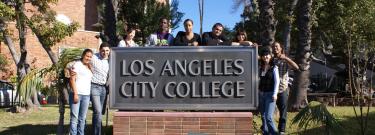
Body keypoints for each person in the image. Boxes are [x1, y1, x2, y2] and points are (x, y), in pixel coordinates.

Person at [271, 41, 299, 135]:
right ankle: (270, 129)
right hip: (271, 90)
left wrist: (286, 58)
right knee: (269, 111)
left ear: (281, 48)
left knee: (283, 111)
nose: (275, 48)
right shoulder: (271, 59)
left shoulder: (285, 60)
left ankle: (281, 130)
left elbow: (296, 67)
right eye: (273, 47)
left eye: (277, 46)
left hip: (283, 89)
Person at [69, 49, 93, 135]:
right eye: (87, 56)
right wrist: (75, 94)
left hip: (86, 95)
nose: (88, 58)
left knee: (82, 118)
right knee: (74, 118)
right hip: (77, 94)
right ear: (83, 55)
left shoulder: (89, 67)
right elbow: (72, 79)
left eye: (90, 57)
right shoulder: (77, 65)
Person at [90, 42, 110, 135]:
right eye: (103, 51)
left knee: (98, 113)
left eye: (107, 50)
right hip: (94, 86)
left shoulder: (110, 60)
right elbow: (82, 61)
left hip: (103, 89)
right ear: (99, 50)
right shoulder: (94, 57)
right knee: (97, 111)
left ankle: (96, 131)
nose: (105, 52)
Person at [259, 47, 280, 135]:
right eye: (263, 55)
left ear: (270, 56)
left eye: (267, 55)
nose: (265, 57)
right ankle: (266, 133)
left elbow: (277, 81)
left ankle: (275, 133)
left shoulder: (274, 67)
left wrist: (275, 94)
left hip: (270, 94)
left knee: (268, 117)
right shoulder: (261, 67)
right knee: (263, 117)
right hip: (262, 94)